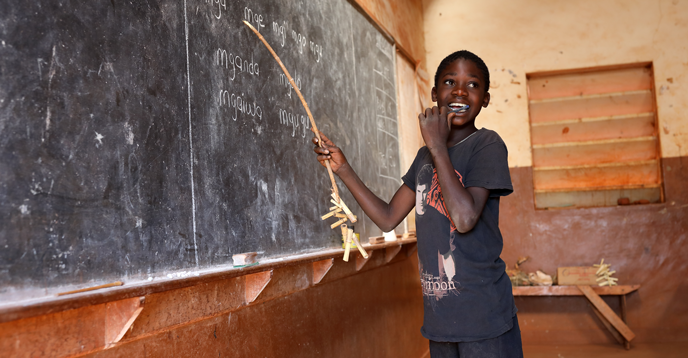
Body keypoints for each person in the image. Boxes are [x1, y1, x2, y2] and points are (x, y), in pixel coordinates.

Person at [312, 50, 523, 357]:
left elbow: (464, 219)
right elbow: (387, 218)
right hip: (441, 318)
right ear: (436, 94)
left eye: (473, 85)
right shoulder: (425, 157)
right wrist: (343, 169)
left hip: (484, 314)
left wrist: (437, 145)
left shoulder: (487, 145)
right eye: (450, 81)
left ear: (486, 99)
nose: (461, 91)